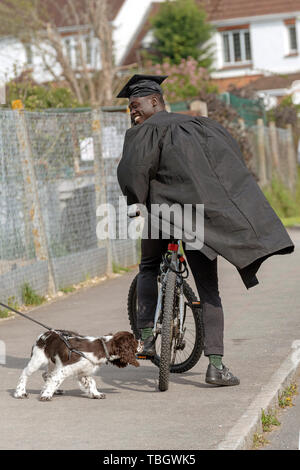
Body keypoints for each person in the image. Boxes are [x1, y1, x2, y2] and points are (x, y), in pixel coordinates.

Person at [116, 75, 294, 386]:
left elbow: (134, 171)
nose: (133, 113)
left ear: (155, 101)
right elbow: (224, 164)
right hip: (198, 219)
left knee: (148, 267)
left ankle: (144, 337)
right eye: (131, 109)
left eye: (136, 105)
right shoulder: (201, 126)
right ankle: (216, 366)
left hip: (162, 214)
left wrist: (136, 203)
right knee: (209, 289)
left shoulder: (142, 132)